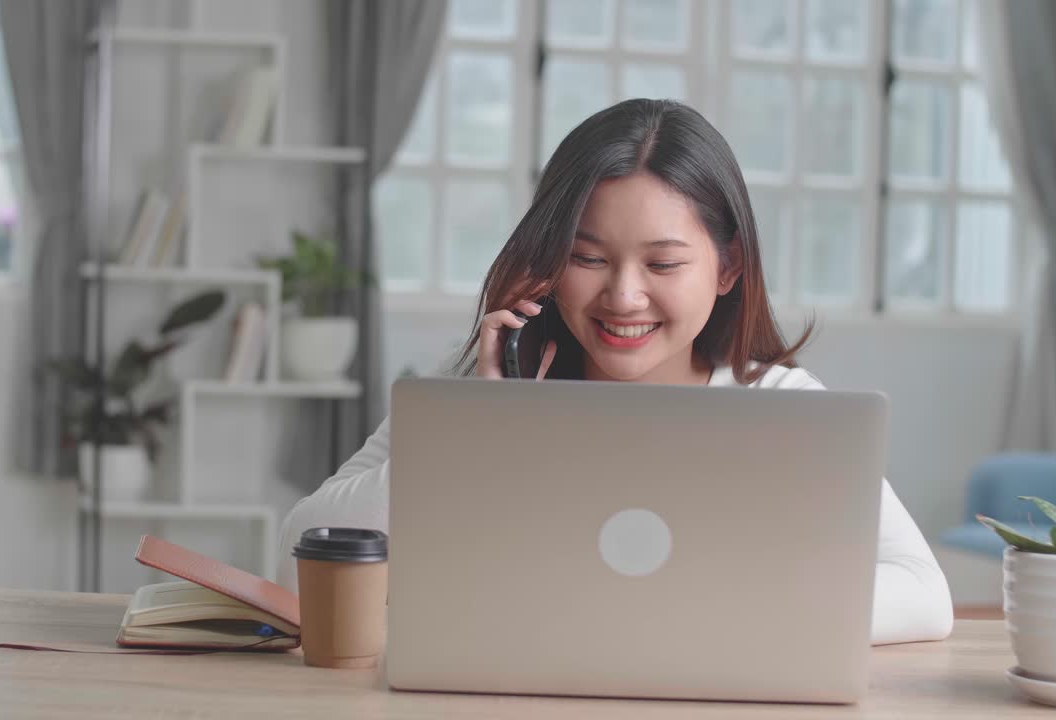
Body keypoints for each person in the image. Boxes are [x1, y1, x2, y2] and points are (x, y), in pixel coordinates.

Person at [278, 99, 954, 646]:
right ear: (545, 261)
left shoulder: (783, 406)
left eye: (662, 265)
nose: (624, 298)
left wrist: (710, 612)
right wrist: (478, 428)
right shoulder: (475, 392)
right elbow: (294, 560)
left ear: (728, 268)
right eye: (589, 258)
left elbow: (924, 596)